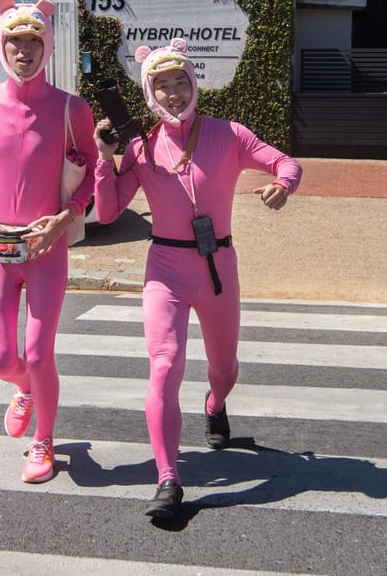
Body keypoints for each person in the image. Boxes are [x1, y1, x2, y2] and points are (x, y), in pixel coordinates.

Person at [92, 38, 302, 518]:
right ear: (149, 93)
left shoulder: (228, 134)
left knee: (224, 368)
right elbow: (105, 213)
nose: (172, 93)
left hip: (218, 270)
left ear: (194, 84)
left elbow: (286, 161)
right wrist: (106, 158)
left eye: (180, 82)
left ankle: (216, 402)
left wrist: (282, 185)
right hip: (164, 269)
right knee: (163, 366)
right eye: (161, 85)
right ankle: (168, 478)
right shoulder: (141, 148)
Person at [0, 0, 97, 484]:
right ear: (1, 45)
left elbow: (90, 174)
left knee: (38, 352)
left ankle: (43, 440)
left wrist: (66, 217)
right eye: (14, 42)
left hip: (46, 247)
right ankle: (24, 390)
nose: (24, 51)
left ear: (47, 46)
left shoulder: (72, 108)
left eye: (33, 42)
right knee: (3, 359)